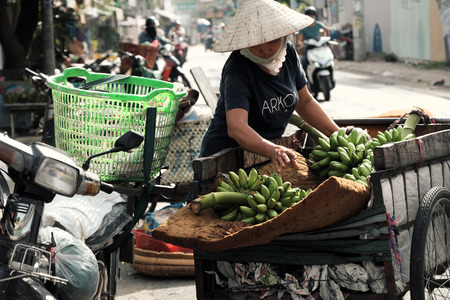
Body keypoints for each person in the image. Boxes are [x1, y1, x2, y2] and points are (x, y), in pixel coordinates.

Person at [199, 0, 340, 172]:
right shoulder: (237, 68)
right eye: (256, 42)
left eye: (271, 40)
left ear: (282, 35)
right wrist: (273, 150)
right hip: (226, 159)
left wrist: (338, 135)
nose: (264, 48)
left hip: (264, 158)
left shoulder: (289, 55)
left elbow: (305, 103)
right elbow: (237, 127)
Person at [296, 6, 330, 71]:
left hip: (319, 48)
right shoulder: (303, 27)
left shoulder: (318, 24)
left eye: (312, 15)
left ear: (315, 16)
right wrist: (300, 43)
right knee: (303, 61)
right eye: (309, 15)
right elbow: (299, 40)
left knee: (328, 59)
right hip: (309, 48)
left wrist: (328, 38)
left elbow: (326, 29)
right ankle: (305, 79)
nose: (311, 17)